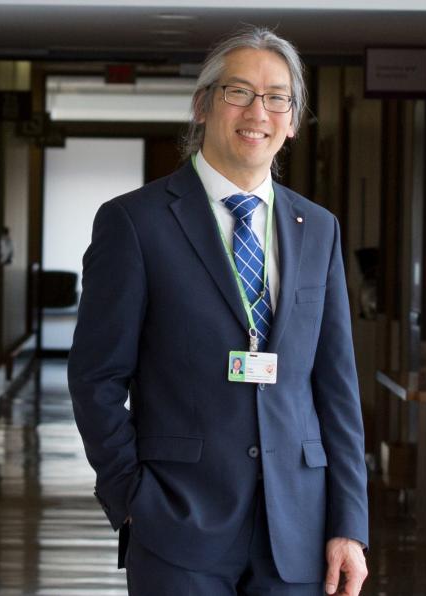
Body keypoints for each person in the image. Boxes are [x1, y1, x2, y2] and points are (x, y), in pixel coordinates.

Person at [68, 26, 369, 596]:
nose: (259, 111)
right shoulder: (136, 223)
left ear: (293, 119)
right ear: (203, 104)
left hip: (298, 530)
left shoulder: (318, 230)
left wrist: (349, 524)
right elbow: (96, 376)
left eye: (277, 96)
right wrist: (132, 496)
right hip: (179, 523)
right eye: (239, 92)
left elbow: (337, 387)